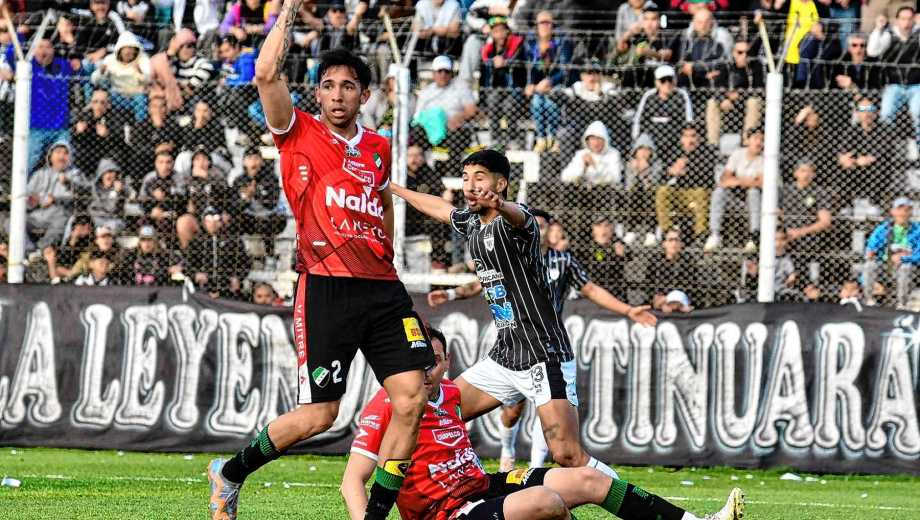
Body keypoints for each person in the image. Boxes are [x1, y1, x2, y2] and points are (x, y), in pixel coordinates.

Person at [206, 30, 434, 520]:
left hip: (383, 288)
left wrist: (386, 250)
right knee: (321, 414)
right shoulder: (297, 131)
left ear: (364, 95)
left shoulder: (378, 147)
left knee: (412, 398)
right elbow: (265, 72)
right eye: (328, 85)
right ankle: (231, 472)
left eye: (348, 86)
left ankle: (374, 514)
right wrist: (289, 11)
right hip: (326, 286)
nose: (337, 95)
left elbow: (383, 201)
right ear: (317, 93)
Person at [342, 327, 745, 520]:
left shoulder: (451, 392)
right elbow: (351, 481)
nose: (425, 370)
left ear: (447, 363)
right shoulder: (386, 405)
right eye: (416, 361)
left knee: (587, 478)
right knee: (546, 503)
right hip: (445, 514)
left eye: (433, 361)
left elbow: (511, 395)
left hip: (483, 488)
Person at [392, 149, 621, 483]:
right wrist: (393, 188)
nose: (470, 185)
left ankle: (645, 506)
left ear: (500, 184)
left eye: (479, 178)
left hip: (543, 353)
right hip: (506, 355)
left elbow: (519, 217)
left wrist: (501, 205)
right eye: (465, 178)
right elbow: (441, 208)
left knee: (568, 455)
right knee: (438, 412)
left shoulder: (517, 223)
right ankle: (447, 491)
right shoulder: (471, 223)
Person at [427, 206, 656, 471]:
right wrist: (452, 294)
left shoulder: (563, 260)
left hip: (546, 348)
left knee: (559, 439)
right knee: (509, 412)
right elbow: (481, 283)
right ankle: (505, 452)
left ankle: (535, 471)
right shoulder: (510, 253)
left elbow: (591, 289)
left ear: (550, 230)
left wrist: (627, 310)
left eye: (542, 225)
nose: (537, 229)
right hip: (511, 348)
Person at [705, 127, 764, 254]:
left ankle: (754, 236)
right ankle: (715, 234)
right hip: (736, 198)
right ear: (747, 140)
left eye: (762, 140)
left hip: (756, 202)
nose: (759, 142)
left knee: (753, 192)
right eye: (756, 138)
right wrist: (746, 181)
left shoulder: (765, 158)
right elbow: (724, 179)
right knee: (719, 192)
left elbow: (761, 182)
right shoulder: (738, 154)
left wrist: (736, 180)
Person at [655, 124, 716, 244]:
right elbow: (662, 175)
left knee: (701, 193)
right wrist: (671, 171)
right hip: (680, 192)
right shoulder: (674, 151)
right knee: (662, 191)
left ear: (699, 138)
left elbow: (706, 176)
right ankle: (667, 231)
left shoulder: (708, 152)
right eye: (686, 136)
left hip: (698, 192)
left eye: (693, 136)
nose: (689, 140)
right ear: (681, 138)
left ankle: (701, 234)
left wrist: (686, 169)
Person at [867, 6, 920, 144]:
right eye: (903, 19)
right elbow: (872, 51)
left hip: (916, 85)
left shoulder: (918, 34)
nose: (906, 23)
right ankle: (888, 147)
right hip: (894, 84)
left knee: (917, 113)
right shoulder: (889, 35)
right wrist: (878, 29)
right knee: (886, 114)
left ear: (914, 19)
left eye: (909, 19)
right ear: (897, 20)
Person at [524, 11, 572, 153]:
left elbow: (565, 70)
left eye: (548, 22)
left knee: (550, 103)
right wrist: (530, 84)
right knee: (536, 102)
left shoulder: (561, 42)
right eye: (541, 23)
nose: (545, 26)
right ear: (537, 25)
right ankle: (541, 139)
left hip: (558, 84)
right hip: (539, 87)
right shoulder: (531, 44)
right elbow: (529, 68)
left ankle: (552, 137)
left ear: (553, 25)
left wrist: (549, 81)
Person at [24, 39, 74, 173]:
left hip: (61, 127)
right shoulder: (28, 65)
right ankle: (23, 185)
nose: (44, 50)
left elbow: (78, 68)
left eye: (48, 47)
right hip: (36, 127)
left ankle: (62, 184)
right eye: (40, 47)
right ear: (33, 50)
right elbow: (11, 53)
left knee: (65, 162)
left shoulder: (62, 65)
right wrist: (22, 33)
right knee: (30, 160)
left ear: (53, 50)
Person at [861, 197, 920, 308]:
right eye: (899, 209)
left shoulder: (917, 230)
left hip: (911, 269)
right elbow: (870, 252)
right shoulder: (883, 229)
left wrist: (904, 259)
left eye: (907, 209)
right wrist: (864, 279)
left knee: (905, 267)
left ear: (911, 212)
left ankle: (902, 304)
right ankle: (869, 301)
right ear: (892, 211)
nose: (903, 213)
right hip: (886, 267)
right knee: (869, 265)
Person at [631, 65, 694, 162]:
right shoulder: (648, 96)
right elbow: (638, 120)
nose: (667, 83)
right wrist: (637, 139)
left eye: (670, 79)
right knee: (642, 153)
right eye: (663, 80)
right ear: (657, 82)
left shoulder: (682, 95)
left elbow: (689, 120)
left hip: (675, 138)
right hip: (651, 138)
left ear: (675, 81)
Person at [231, 148, 286, 257]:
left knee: (271, 222)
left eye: (256, 158)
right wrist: (246, 199)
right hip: (249, 218)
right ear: (244, 162)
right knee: (233, 220)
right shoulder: (239, 181)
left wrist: (255, 193)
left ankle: (270, 255)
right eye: (249, 158)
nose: (253, 161)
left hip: (268, 215)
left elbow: (271, 204)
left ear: (262, 161)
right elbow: (235, 207)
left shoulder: (271, 178)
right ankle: (239, 255)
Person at [27, 142, 80, 252]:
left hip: (59, 215)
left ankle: (40, 251)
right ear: (50, 156)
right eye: (58, 152)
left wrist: (55, 198)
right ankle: (28, 249)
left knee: (61, 218)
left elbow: (77, 195)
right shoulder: (39, 174)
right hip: (35, 216)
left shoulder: (75, 174)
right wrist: (32, 201)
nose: (62, 157)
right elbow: (28, 196)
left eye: (66, 153)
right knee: (9, 221)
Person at [189, 206, 251, 299]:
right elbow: (188, 263)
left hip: (227, 288)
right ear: (203, 222)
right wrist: (195, 274)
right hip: (202, 289)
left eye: (216, 220)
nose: (212, 224)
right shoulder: (197, 241)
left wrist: (238, 277)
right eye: (208, 221)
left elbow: (245, 263)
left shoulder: (233, 240)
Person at [91, 31, 151, 121]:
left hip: (135, 94)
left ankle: (140, 124)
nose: (129, 51)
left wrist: (139, 71)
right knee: (102, 95)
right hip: (115, 94)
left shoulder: (143, 60)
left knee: (140, 99)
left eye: (131, 48)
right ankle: (106, 122)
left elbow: (148, 80)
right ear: (120, 49)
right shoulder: (110, 59)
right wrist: (101, 71)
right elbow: (94, 80)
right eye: (126, 48)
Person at [560, 120, 623, 187]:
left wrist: (594, 166)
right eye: (593, 138)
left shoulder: (613, 154)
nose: (596, 142)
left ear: (605, 140)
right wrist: (583, 168)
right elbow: (564, 177)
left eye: (599, 138)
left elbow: (616, 178)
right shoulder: (581, 154)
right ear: (587, 140)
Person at [88, 158, 128, 235]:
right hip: (96, 219)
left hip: (113, 220)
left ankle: (102, 234)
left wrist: (116, 192)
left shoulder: (120, 188)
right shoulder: (93, 187)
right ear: (101, 174)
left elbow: (110, 208)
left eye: (113, 172)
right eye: (108, 172)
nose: (110, 175)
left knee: (115, 224)